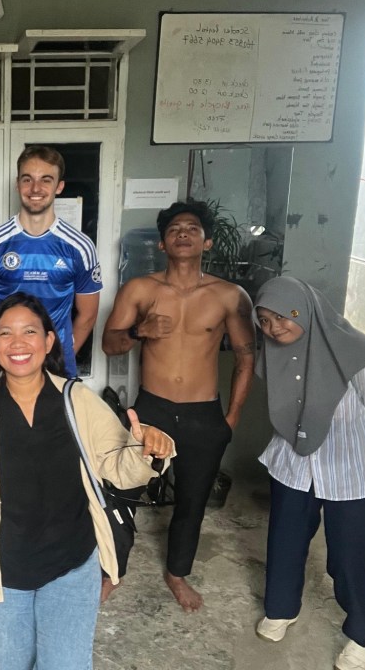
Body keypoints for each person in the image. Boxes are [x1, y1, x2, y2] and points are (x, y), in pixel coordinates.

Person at [0, 293, 175, 670]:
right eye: (5, 333)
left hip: (71, 566)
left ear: (48, 341)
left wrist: (147, 451)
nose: (17, 343)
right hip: (3, 571)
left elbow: (118, 468)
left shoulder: (77, 400)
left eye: (29, 331)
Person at [101, 199, 255, 612]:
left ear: (206, 242)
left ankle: (177, 573)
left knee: (192, 500)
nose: (182, 234)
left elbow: (246, 358)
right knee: (123, 491)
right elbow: (110, 343)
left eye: (192, 229)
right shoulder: (140, 290)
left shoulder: (229, 295)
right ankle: (112, 569)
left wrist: (230, 419)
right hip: (152, 408)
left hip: (204, 414)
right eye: (173, 230)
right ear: (162, 244)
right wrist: (140, 330)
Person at [252, 277, 365, 670]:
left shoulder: (360, 354)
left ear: (307, 310)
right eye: (264, 320)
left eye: (284, 316)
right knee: (284, 542)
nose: (274, 327)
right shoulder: (274, 352)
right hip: (293, 465)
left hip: (353, 470)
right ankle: (281, 609)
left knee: (350, 556)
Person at [0, 145, 102, 377]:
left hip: (57, 368)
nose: (35, 188)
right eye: (27, 179)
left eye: (46, 180)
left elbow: (88, 314)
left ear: (59, 186)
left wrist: (61, 354)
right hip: (6, 364)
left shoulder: (80, 246)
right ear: (17, 184)